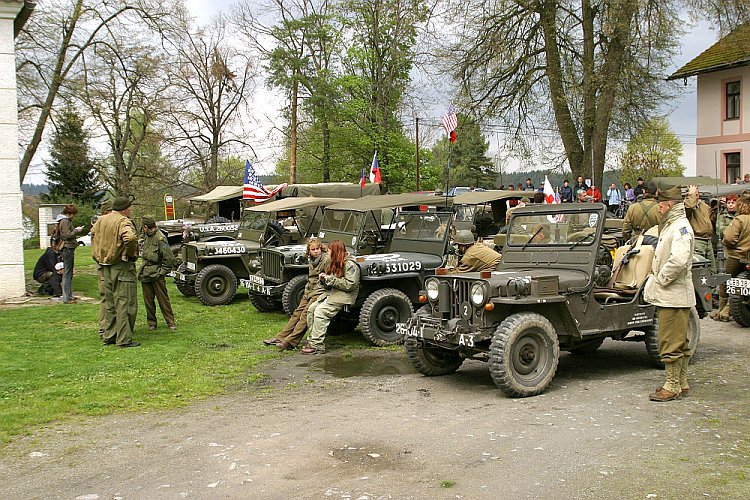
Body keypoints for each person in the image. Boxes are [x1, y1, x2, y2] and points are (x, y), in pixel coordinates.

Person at [643, 184, 695, 402]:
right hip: (672, 294)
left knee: (670, 341)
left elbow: (679, 260)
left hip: (673, 294)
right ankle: (681, 382)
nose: (659, 210)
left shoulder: (680, 228)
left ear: (669, 205)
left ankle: (672, 385)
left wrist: (662, 278)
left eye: (661, 205)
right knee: (678, 340)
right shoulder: (674, 225)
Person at [91, 196, 139, 348]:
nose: (130, 210)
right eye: (129, 207)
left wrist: (97, 254)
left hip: (104, 265)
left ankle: (109, 335)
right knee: (125, 302)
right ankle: (124, 339)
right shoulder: (123, 221)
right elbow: (130, 238)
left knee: (110, 302)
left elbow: (93, 234)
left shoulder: (101, 220)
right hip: (120, 265)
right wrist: (130, 254)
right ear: (124, 209)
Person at [264, 239, 328, 350]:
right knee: (297, 313)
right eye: (313, 250)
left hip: (320, 290)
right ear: (309, 252)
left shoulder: (325, 259)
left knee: (305, 315)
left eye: (317, 249)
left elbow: (328, 277)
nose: (316, 251)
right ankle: (281, 337)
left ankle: (291, 341)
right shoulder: (312, 260)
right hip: (310, 290)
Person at [301, 240, 360, 355]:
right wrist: (324, 280)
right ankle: (313, 340)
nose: (327, 253)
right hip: (333, 293)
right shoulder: (336, 262)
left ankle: (317, 345)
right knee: (311, 309)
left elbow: (350, 285)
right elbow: (332, 282)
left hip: (344, 296)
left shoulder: (350, 265)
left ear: (336, 252)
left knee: (320, 312)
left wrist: (330, 279)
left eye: (329, 251)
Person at [138, 216, 178, 332]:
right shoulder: (146, 236)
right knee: (148, 300)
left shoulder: (160, 238)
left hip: (157, 272)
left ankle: (170, 322)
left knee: (163, 299)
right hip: (146, 272)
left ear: (146, 227)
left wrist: (162, 272)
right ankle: (151, 323)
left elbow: (169, 257)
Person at [718, 194, 750, 322]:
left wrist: (731, 245)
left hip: (737, 256)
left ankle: (723, 310)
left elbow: (729, 238)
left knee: (725, 281)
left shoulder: (739, 220)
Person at [684, 184, 716, 272]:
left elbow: (711, 217)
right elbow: (689, 206)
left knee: (713, 270)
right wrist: (691, 194)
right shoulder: (687, 205)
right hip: (697, 240)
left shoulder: (703, 205)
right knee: (700, 269)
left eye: (697, 194)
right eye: (695, 194)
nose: (697, 196)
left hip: (708, 240)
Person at [93, 199, 113, 339]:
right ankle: (105, 328)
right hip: (105, 265)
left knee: (108, 298)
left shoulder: (97, 225)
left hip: (103, 263)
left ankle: (108, 328)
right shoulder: (102, 225)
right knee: (107, 297)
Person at [58, 204, 84, 304]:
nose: (74, 216)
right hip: (67, 248)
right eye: (73, 214)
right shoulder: (65, 221)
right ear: (69, 213)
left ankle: (68, 295)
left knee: (68, 273)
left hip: (68, 248)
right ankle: (67, 298)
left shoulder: (63, 220)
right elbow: (66, 235)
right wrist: (76, 230)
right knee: (68, 273)